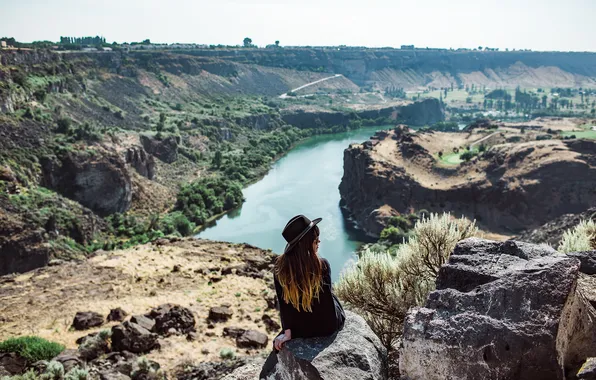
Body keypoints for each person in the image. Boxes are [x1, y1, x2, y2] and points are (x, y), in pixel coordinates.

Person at [260, 215, 345, 378]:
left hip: (299, 330)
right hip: (326, 327)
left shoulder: (280, 268)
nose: (319, 243)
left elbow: (284, 305)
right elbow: (327, 306)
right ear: (307, 243)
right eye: (315, 240)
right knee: (334, 299)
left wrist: (287, 332)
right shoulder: (322, 265)